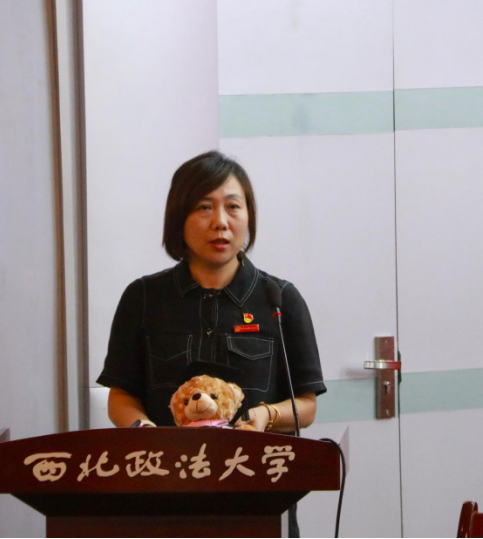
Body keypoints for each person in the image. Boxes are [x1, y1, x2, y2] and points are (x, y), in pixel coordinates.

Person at [97, 150, 326, 433]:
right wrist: (144, 430)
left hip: (254, 458)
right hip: (169, 459)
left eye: (233, 206)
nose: (220, 221)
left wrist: (267, 415)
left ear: (249, 216)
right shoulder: (143, 297)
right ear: (179, 217)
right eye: (204, 207)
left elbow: (306, 405)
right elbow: (121, 395)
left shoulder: (280, 299)